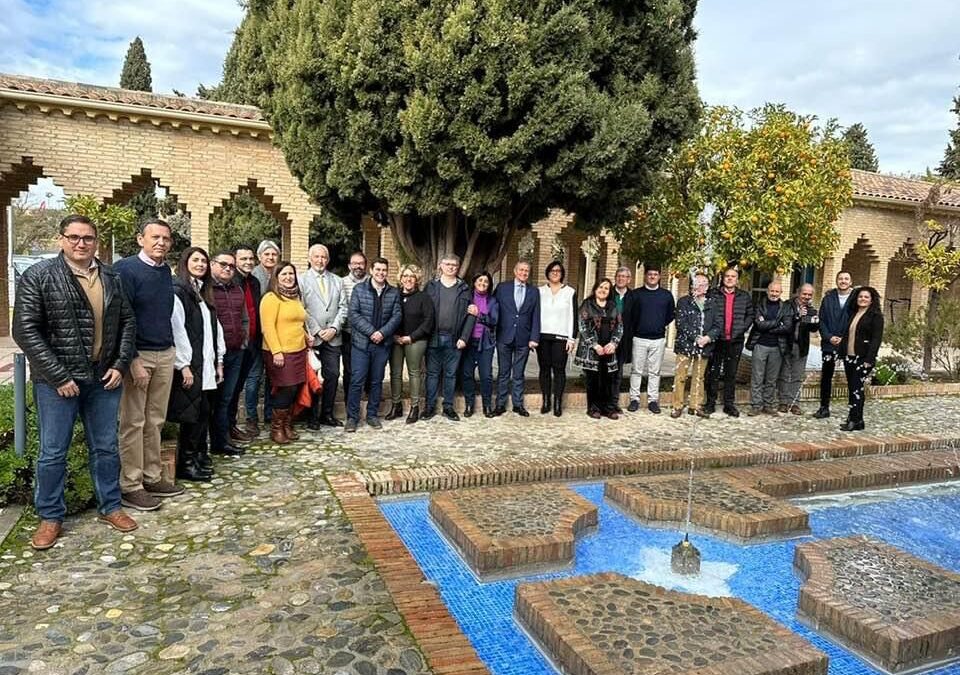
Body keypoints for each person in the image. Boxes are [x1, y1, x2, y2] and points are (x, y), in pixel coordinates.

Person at [13, 215, 139, 550]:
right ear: (61, 239)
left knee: (106, 447)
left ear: (96, 241)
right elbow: (25, 329)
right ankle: (50, 516)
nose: (81, 243)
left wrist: (120, 363)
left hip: (104, 378)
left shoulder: (111, 276)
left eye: (88, 238)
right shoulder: (39, 276)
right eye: (74, 237)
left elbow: (127, 321)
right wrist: (59, 375)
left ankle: (111, 506)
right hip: (57, 383)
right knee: (53, 451)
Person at [114, 219, 184, 512]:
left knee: (155, 420)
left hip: (164, 352)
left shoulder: (164, 273)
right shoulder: (126, 270)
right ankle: (131, 485)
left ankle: (153, 476)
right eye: (155, 237)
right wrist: (131, 360)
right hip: (138, 355)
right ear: (140, 238)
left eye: (166, 239)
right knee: (133, 422)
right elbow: (119, 317)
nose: (161, 243)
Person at [167, 247, 225, 481]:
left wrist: (219, 360)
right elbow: (177, 328)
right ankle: (187, 463)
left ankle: (199, 455)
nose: (200, 264)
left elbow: (215, 328)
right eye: (195, 260)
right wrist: (184, 364)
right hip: (192, 363)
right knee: (191, 414)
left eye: (203, 261)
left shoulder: (203, 291)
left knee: (203, 411)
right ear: (185, 262)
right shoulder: (179, 290)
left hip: (207, 361)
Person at [345, 257, 402, 432]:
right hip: (361, 344)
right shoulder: (359, 289)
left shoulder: (393, 292)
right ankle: (352, 418)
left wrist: (382, 333)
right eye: (377, 269)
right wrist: (371, 332)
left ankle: (372, 415)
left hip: (382, 345)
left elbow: (397, 316)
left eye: (384, 270)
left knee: (377, 381)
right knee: (357, 380)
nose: (381, 273)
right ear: (371, 271)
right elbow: (353, 314)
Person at [260, 262, 313, 443]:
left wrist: (306, 336)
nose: (288, 277)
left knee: (295, 388)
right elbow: (267, 328)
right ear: (276, 277)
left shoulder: (294, 297)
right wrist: (276, 352)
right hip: (280, 352)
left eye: (291, 274)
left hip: (298, 351)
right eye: (284, 274)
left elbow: (297, 322)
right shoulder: (270, 298)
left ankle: (287, 425)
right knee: (285, 389)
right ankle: (276, 429)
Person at [424, 254, 475, 421]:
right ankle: (429, 407)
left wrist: (464, 337)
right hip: (433, 337)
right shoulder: (431, 286)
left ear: (458, 267)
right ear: (441, 266)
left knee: (450, 375)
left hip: (455, 339)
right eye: (447, 264)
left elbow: (471, 315)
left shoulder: (464, 288)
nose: (451, 267)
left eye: (454, 265)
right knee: (432, 374)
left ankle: (448, 407)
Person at [301, 244, 346, 428]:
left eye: (324, 257)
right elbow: (301, 308)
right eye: (317, 257)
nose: (320, 260)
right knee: (312, 377)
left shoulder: (337, 280)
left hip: (333, 338)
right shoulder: (301, 280)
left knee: (333, 375)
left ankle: (327, 414)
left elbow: (344, 307)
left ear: (328, 259)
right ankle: (311, 416)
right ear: (310, 258)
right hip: (313, 337)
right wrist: (318, 330)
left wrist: (334, 328)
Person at [209, 250, 248, 456]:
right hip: (213, 355)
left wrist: (244, 341)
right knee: (211, 400)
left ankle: (221, 441)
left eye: (231, 266)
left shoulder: (237, 289)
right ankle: (208, 443)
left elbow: (244, 318)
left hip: (235, 351)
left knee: (227, 398)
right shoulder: (207, 289)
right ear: (212, 264)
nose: (228, 268)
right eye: (223, 264)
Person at [704, 266, 753, 417]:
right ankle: (710, 403)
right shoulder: (713, 294)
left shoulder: (744, 296)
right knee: (713, 372)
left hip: (735, 340)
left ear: (737, 280)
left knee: (731, 374)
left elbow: (750, 315)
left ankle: (729, 404)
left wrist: (741, 329)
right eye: (727, 276)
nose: (730, 278)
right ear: (722, 278)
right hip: (717, 340)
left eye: (733, 276)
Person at [387, 264, 434, 423]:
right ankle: (396, 405)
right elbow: (388, 315)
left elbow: (428, 322)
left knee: (414, 373)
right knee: (395, 372)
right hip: (395, 339)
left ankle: (414, 407)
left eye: (412, 276)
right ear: (400, 279)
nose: (408, 279)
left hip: (416, 340)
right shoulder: (394, 295)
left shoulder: (424, 297)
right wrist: (392, 334)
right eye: (405, 276)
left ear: (417, 279)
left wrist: (411, 337)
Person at [493, 261, 540, 416]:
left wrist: (534, 337)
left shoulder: (534, 292)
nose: (524, 273)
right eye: (521, 269)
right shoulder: (502, 288)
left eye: (527, 270)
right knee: (503, 372)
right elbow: (493, 309)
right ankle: (500, 404)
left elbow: (536, 315)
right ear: (515, 271)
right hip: (504, 336)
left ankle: (518, 405)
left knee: (519, 373)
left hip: (524, 338)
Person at [625, 266, 675, 414]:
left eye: (655, 274)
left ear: (659, 276)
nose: (652, 276)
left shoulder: (666, 295)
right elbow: (630, 315)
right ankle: (634, 399)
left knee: (655, 372)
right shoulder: (636, 294)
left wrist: (658, 324)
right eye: (650, 274)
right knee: (636, 371)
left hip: (658, 339)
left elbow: (670, 315)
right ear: (645, 276)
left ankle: (653, 400)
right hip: (639, 338)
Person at [671, 273, 720, 418]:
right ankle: (677, 406)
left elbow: (718, 325)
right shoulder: (684, 302)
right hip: (685, 345)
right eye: (696, 283)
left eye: (703, 284)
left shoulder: (712, 304)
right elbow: (681, 323)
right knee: (680, 376)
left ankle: (695, 405)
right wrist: (696, 338)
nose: (699, 287)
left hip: (704, 346)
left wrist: (708, 338)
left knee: (699, 377)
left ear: (707, 288)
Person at [574, 278, 623, 419]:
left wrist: (613, 343)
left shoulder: (613, 306)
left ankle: (608, 409)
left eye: (606, 288)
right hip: (592, 350)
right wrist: (594, 345)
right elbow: (582, 326)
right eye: (600, 287)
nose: (603, 290)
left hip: (609, 349)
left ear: (610, 291)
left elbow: (620, 326)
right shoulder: (587, 305)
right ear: (595, 288)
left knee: (609, 379)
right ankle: (593, 408)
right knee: (593, 380)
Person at [839, 286, 884, 431]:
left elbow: (876, 339)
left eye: (866, 297)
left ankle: (854, 419)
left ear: (871, 300)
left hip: (863, 358)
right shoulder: (854, 313)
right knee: (853, 388)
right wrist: (841, 353)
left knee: (856, 389)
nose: (862, 299)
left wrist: (869, 360)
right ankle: (857, 420)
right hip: (850, 356)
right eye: (860, 297)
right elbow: (847, 336)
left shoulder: (876, 316)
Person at [745, 280, 792, 416]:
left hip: (777, 347)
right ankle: (756, 405)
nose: (774, 294)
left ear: (781, 293)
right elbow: (759, 325)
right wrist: (778, 323)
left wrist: (768, 325)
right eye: (772, 291)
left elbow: (788, 327)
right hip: (760, 344)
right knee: (757, 377)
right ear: (767, 291)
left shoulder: (786, 307)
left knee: (772, 379)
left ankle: (769, 405)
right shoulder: (759, 304)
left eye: (777, 291)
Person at [537, 261, 577, 416]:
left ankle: (558, 403)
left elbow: (573, 316)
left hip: (561, 337)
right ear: (547, 272)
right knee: (544, 369)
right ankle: (546, 400)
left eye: (558, 271)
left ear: (562, 273)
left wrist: (572, 338)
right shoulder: (539, 291)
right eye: (552, 270)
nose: (555, 273)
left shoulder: (570, 292)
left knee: (559, 370)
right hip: (543, 336)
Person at [230, 245, 262, 438]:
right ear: (235, 261)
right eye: (244, 259)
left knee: (253, 381)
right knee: (233, 387)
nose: (248, 262)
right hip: (237, 342)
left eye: (251, 259)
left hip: (255, 340)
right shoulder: (231, 282)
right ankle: (229, 426)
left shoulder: (255, 282)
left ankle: (251, 420)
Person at [814, 271, 854, 419]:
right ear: (837, 281)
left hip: (848, 344)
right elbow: (822, 320)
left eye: (846, 279)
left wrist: (844, 338)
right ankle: (824, 407)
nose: (843, 281)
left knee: (852, 377)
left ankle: (853, 411)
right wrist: (829, 337)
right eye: (840, 278)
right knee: (826, 376)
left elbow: (857, 321)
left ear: (850, 281)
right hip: (829, 344)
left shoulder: (856, 299)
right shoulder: (828, 298)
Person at [250, 240, 280, 426]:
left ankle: (270, 413)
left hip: (276, 335)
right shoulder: (254, 276)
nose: (270, 257)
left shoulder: (279, 275)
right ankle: (251, 416)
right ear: (259, 256)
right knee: (254, 376)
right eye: (267, 254)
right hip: (257, 335)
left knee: (272, 377)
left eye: (274, 254)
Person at [462, 272, 499, 418]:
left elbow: (494, 320)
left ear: (489, 285)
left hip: (485, 342)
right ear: (474, 281)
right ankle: (469, 404)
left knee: (486, 376)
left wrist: (479, 315)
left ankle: (487, 406)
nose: (482, 283)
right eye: (480, 280)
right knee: (466, 374)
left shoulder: (493, 301)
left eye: (486, 281)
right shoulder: (467, 297)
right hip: (468, 341)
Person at [777, 283, 818, 414]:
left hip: (801, 346)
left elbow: (814, 329)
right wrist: (798, 316)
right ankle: (783, 402)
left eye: (809, 295)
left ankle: (794, 403)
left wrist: (815, 321)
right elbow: (784, 323)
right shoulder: (787, 305)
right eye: (804, 294)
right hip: (786, 344)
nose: (806, 297)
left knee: (797, 375)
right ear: (798, 293)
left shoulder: (811, 309)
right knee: (784, 374)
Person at [340, 251, 370, 403]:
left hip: (368, 333)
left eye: (361, 263)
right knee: (349, 368)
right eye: (355, 263)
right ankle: (349, 399)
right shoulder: (341, 282)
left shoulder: (372, 282)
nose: (358, 266)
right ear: (349, 265)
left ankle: (366, 397)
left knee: (368, 368)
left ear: (365, 265)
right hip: (348, 332)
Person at [611, 266, 633, 412]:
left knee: (617, 373)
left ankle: (613, 402)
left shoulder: (633, 296)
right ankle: (600, 402)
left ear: (629, 279)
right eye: (619, 276)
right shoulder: (607, 293)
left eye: (624, 276)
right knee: (604, 373)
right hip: (606, 340)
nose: (621, 279)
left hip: (623, 340)